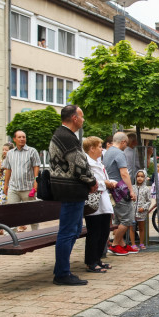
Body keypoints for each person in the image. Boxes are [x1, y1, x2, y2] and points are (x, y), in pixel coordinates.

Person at [49, 105, 97, 286]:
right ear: (74, 118)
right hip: (70, 190)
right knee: (68, 232)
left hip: (70, 190)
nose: (83, 120)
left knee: (74, 230)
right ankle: (62, 274)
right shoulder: (66, 137)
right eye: (82, 116)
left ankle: (61, 270)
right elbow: (78, 164)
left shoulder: (63, 135)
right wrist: (91, 181)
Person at [83, 136, 116, 273]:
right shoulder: (86, 163)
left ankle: (97, 259)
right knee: (94, 232)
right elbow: (90, 182)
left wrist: (109, 182)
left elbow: (103, 178)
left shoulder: (99, 162)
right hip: (93, 201)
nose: (102, 149)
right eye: (99, 146)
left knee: (104, 231)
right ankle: (91, 262)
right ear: (92, 148)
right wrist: (105, 184)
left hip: (103, 199)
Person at [104, 132, 138, 256]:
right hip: (120, 189)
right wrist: (131, 190)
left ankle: (122, 244)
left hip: (111, 189)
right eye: (126, 143)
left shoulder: (108, 152)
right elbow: (124, 173)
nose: (126, 146)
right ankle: (114, 245)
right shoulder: (119, 153)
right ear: (123, 142)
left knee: (118, 219)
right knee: (127, 218)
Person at [2, 130, 42, 231]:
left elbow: (36, 167)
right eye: (19, 137)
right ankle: (11, 236)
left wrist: (36, 182)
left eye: (24, 137)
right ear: (14, 139)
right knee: (11, 213)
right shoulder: (10, 153)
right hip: (13, 188)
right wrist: (6, 185)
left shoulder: (32, 151)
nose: (22, 139)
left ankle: (35, 233)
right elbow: (8, 170)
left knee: (32, 213)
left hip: (28, 188)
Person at [0, 142, 14, 236]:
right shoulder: (2, 161)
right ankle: (1, 228)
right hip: (1, 185)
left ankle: (13, 226)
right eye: (3, 150)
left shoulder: (13, 160)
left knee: (10, 206)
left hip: (10, 184)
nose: (4, 151)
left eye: (6, 150)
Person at [134, 170, 154, 249]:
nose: (140, 178)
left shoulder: (146, 189)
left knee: (141, 228)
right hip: (133, 212)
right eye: (138, 176)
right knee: (132, 228)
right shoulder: (133, 188)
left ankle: (141, 243)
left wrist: (144, 208)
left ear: (145, 178)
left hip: (141, 212)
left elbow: (149, 201)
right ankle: (133, 244)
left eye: (142, 176)